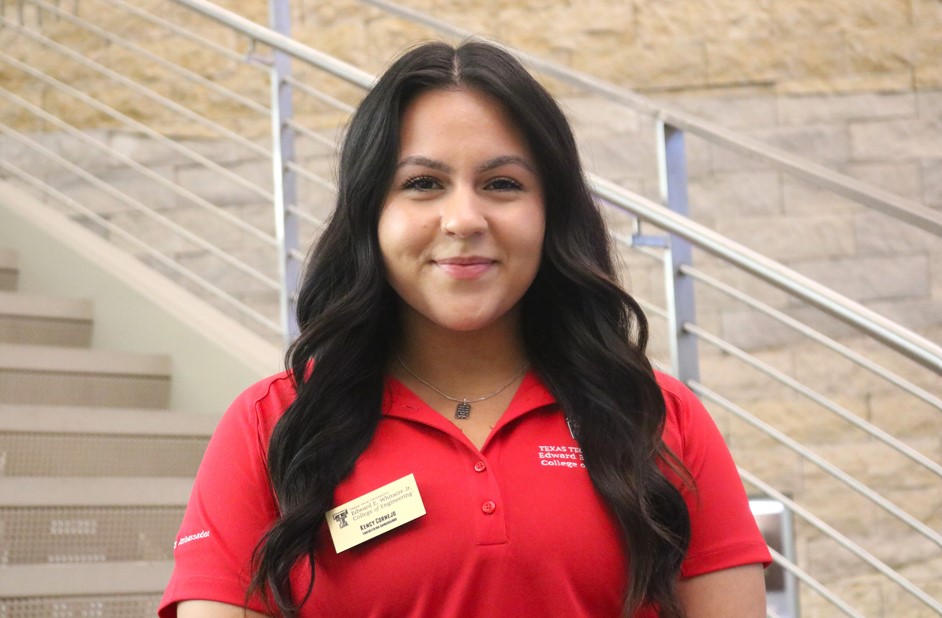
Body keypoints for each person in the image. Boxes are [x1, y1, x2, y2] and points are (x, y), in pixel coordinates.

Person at [159, 39, 770, 618]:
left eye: (502, 184)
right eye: (423, 184)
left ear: (551, 213)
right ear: (371, 214)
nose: (463, 219)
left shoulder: (659, 417)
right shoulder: (272, 426)